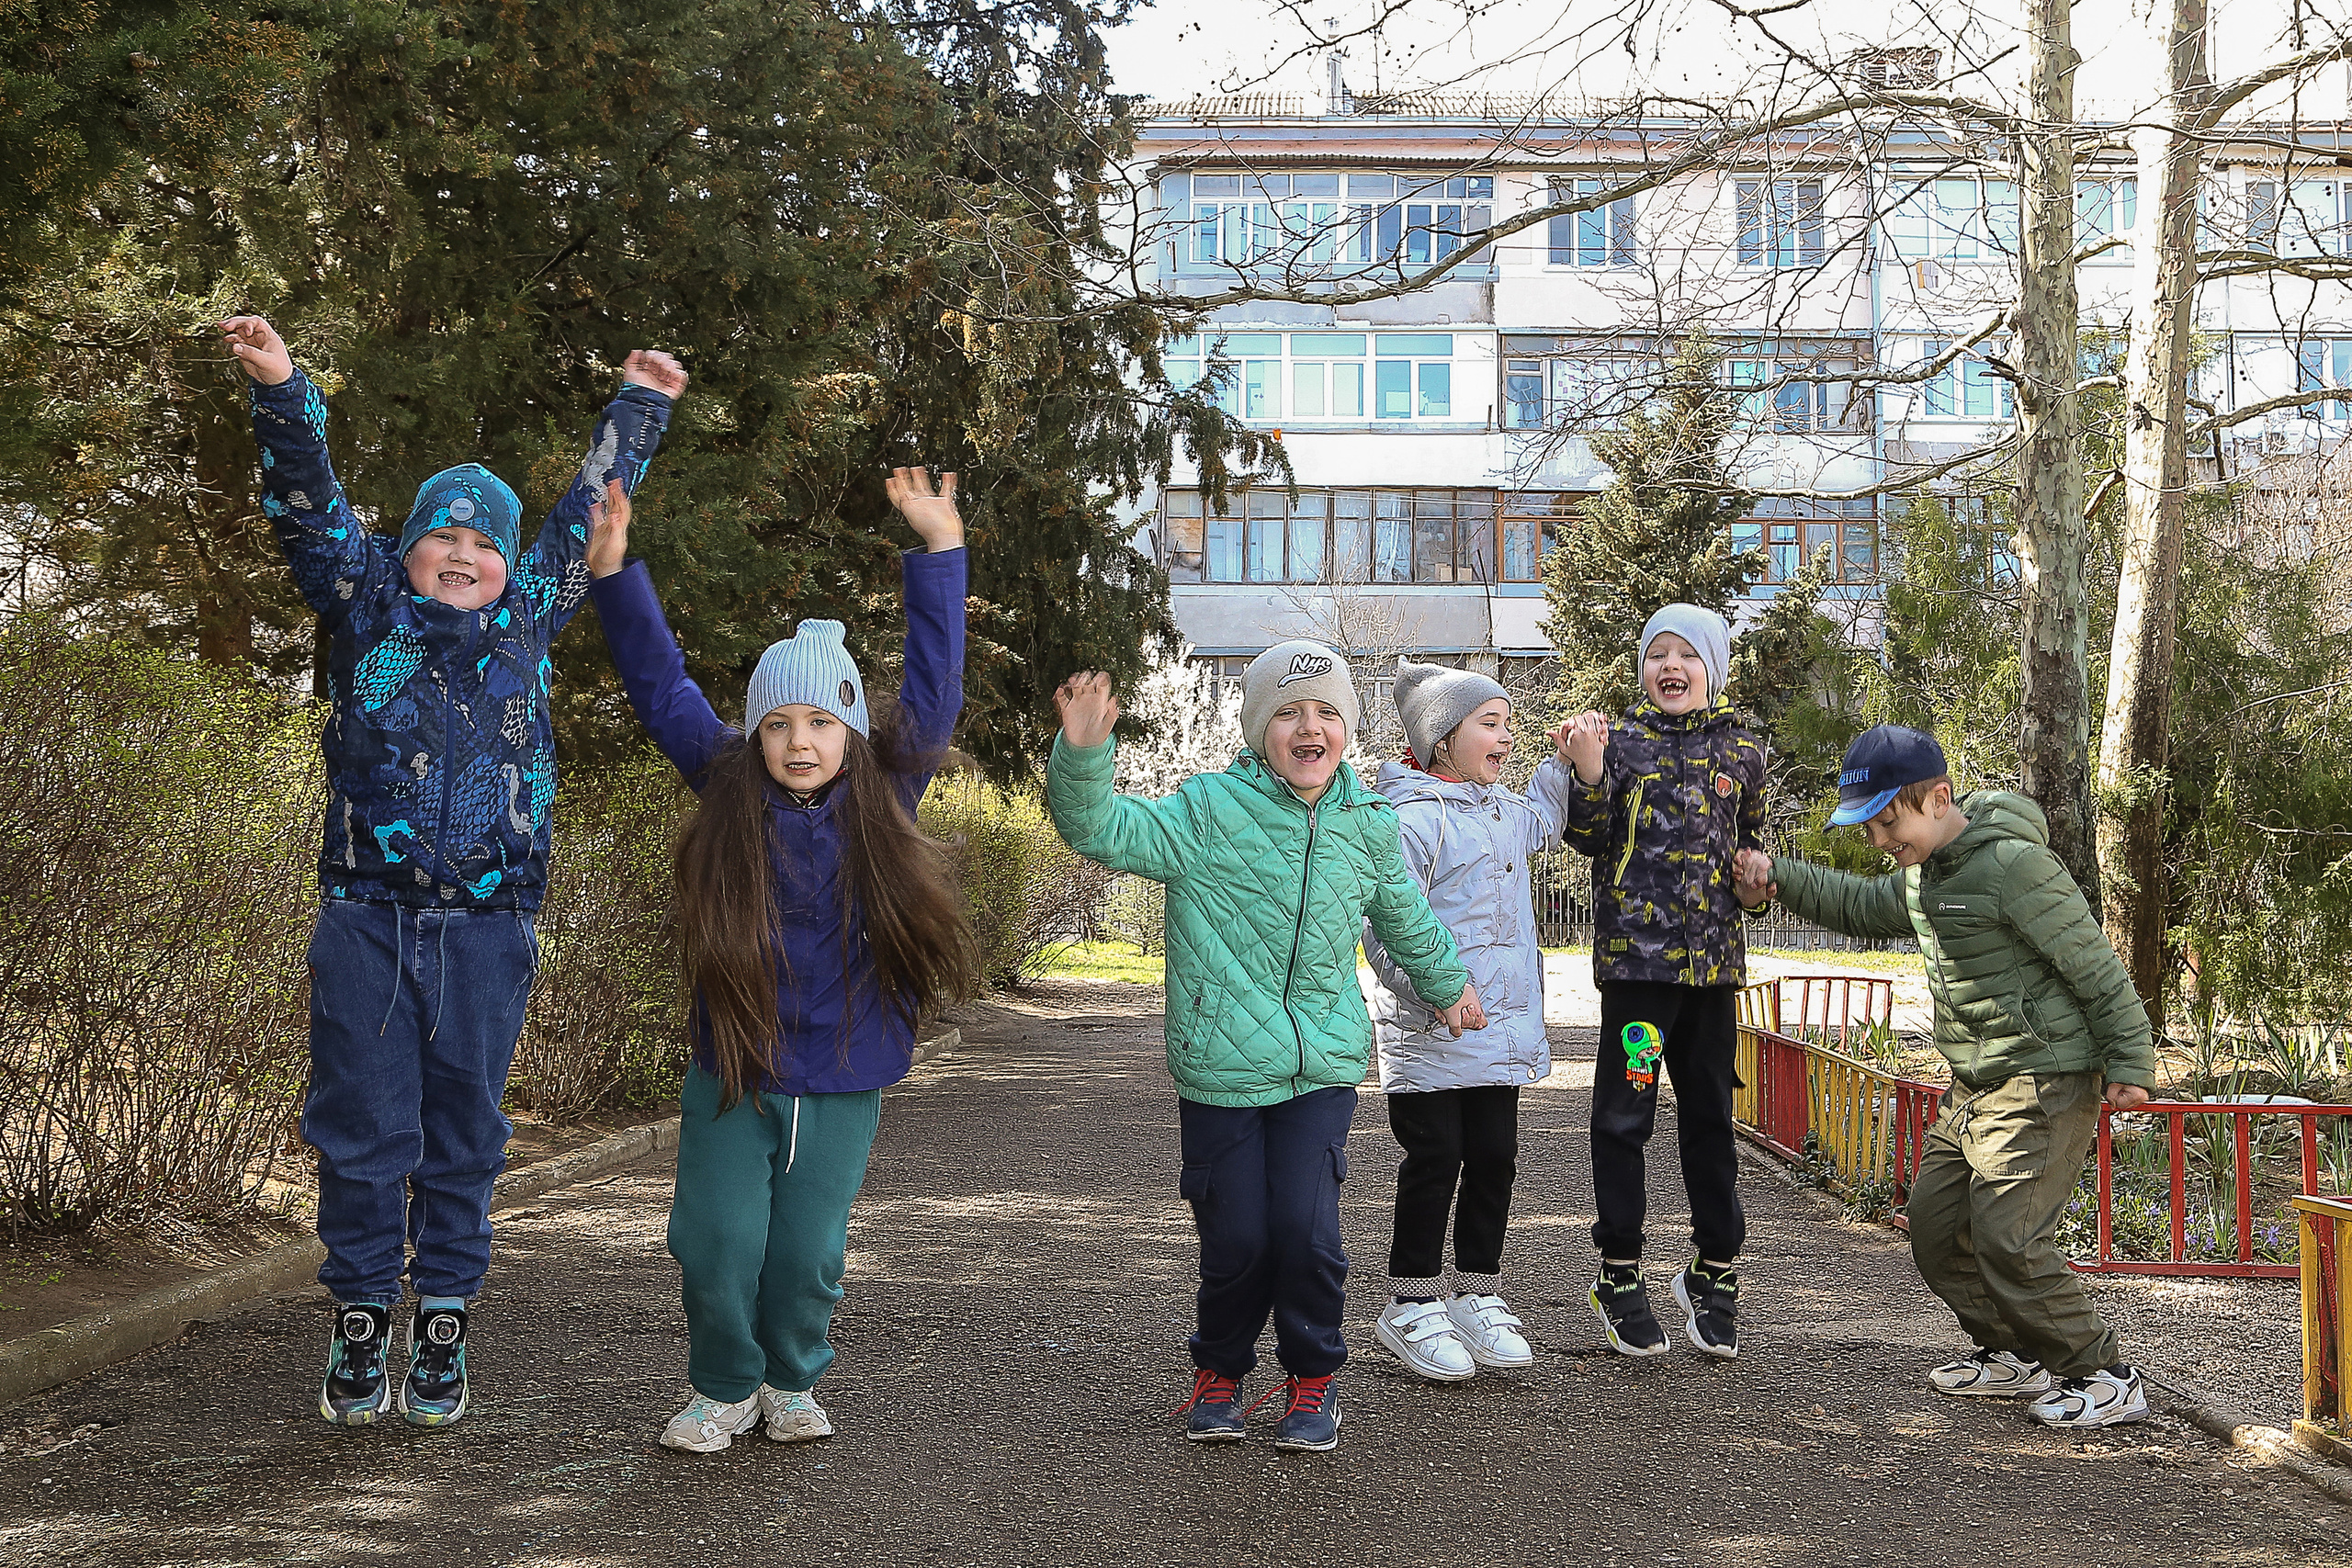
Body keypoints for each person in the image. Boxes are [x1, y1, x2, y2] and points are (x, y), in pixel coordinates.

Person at [222, 315, 684, 1427]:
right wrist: (283, 388)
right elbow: (308, 502)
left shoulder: (529, 616)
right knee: (362, 1129)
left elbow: (585, 516)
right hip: (367, 917)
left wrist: (639, 409)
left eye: (485, 541)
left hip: (488, 926)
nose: (463, 553)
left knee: (465, 1130)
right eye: (443, 535)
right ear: (408, 549)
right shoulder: (366, 601)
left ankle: (442, 1317)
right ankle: (360, 1313)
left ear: (510, 564)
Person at [584, 466, 978, 1453]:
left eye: (820, 722)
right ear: (754, 732)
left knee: (807, 1257)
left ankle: (789, 1378)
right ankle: (724, 1385)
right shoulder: (726, 787)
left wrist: (940, 552)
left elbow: (933, 689)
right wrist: (614, 571)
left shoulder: (886, 795)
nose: (799, 742)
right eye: (777, 724)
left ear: (850, 731)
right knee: (714, 1242)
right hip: (737, 1064)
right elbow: (659, 684)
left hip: (843, 1071)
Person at [1045, 645, 1481, 1452]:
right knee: (1238, 1238)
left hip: (1320, 1068)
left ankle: (1313, 1379)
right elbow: (1100, 827)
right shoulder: (1207, 812)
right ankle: (1220, 1371)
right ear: (1256, 729)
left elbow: (1406, 918)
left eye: (1326, 712)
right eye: (1288, 711)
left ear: (1347, 727)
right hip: (1222, 1068)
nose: (1309, 727)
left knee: (1308, 1235)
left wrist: (1448, 983)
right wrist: (1082, 755)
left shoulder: (1367, 824)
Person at [1735, 725, 2158, 1427]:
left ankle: (2103, 1373)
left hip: (2044, 1077)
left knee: (2009, 1235)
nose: (1879, 840)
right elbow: (1858, 905)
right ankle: (2014, 1351)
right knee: (1935, 1230)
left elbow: (2095, 964)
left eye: (1887, 822)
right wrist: (1779, 875)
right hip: (1975, 1084)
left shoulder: (2015, 866)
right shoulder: (1923, 874)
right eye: (1869, 828)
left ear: (1938, 798)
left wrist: (2130, 1061)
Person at [1557, 604, 1768, 1361]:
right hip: (1640, 977)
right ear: (1642, 668)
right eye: (1657, 654)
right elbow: (1588, 837)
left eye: (1686, 654)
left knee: (1711, 1117)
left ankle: (1715, 1270)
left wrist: (1756, 887)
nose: (1670, 666)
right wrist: (1588, 772)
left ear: (1713, 669)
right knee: (1626, 1119)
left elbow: (1751, 851)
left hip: (1712, 976)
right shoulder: (1617, 742)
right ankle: (1619, 1272)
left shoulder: (1744, 748)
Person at [1360, 660, 1579, 1382]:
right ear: (1442, 736)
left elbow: (1544, 820)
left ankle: (1477, 1291)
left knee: (1494, 1157)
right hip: (1429, 1035)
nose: (1506, 737)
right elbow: (1384, 928)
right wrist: (1436, 990)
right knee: (1436, 1159)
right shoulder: (1410, 819)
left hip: (1494, 1034)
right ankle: (1412, 1299)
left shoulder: (1503, 810)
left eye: (1508, 724)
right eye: (1491, 723)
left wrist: (1562, 764)